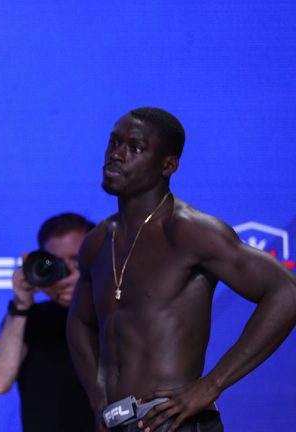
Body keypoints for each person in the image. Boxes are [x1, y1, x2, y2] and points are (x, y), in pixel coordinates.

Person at [67, 107, 296, 432]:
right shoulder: (97, 242)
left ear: (168, 165)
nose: (116, 155)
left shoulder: (190, 232)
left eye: (135, 147)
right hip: (118, 424)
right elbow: (78, 322)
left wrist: (212, 384)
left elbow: (286, 292)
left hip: (175, 422)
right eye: (114, 142)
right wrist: (96, 397)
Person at [0, 213, 96, 431]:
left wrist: (89, 290)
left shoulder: (115, 316)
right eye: (58, 262)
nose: (68, 271)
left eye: (76, 260)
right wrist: (21, 303)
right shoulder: (29, 318)